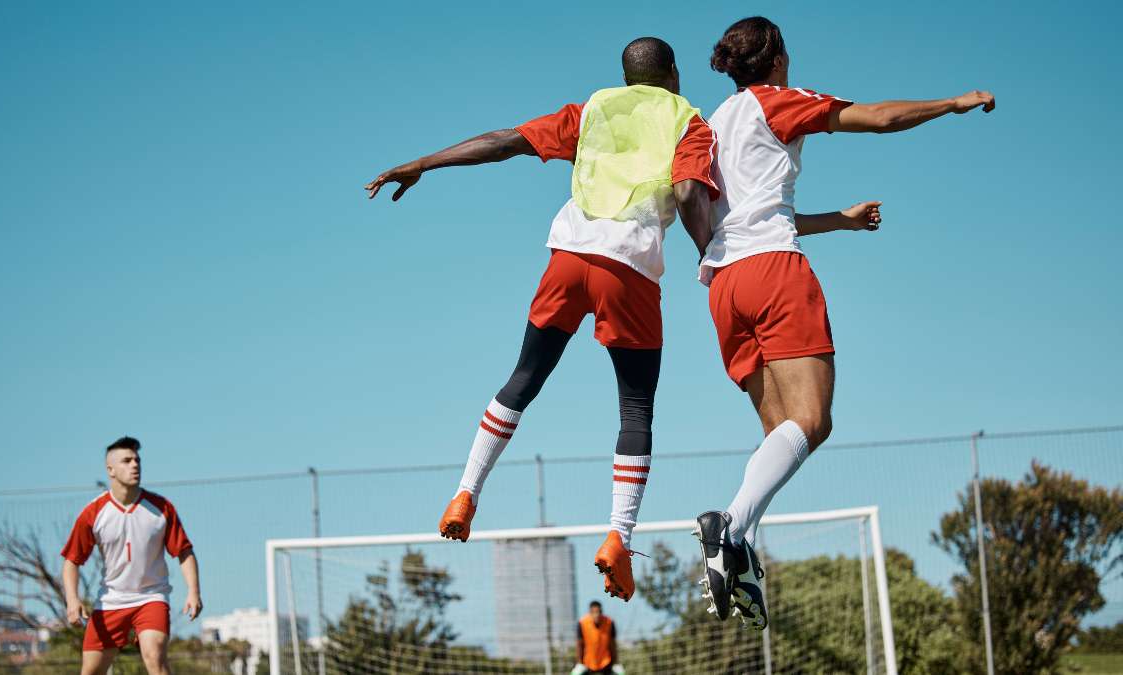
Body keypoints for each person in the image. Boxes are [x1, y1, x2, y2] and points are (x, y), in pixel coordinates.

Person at [365, 37, 717, 602]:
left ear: (626, 77)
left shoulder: (592, 110)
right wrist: (710, 254)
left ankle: (465, 493)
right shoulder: (690, 122)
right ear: (673, 74)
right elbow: (687, 191)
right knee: (635, 406)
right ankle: (618, 538)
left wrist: (424, 163)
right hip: (628, 269)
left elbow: (505, 142)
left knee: (523, 379)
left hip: (568, 257)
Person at [693, 16, 995, 630]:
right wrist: (954, 103)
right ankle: (730, 524)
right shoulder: (780, 101)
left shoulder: (708, 125)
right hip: (774, 274)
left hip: (723, 284)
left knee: (781, 433)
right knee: (812, 421)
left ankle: (738, 545)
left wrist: (843, 221)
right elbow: (880, 117)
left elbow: (754, 213)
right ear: (776, 59)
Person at [60, 436, 203, 674]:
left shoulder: (161, 508)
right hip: (111, 601)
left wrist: (194, 591)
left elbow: (184, 552)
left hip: (151, 597)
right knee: (90, 671)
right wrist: (72, 600)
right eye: (126, 461)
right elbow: (71, 561)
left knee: (154, 655)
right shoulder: (93, 513)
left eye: (137, 460)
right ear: (111, 470)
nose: (134, 465)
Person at [572, 600, 624, 675]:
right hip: (587, 662)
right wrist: (579, 662)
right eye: (593, 612)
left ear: (601, 612)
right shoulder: (582, 623)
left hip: (606, 661)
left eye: (598, 612)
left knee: (621, 673)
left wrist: (615, 662)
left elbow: (612, 644)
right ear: (590, 613)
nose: (596, 615)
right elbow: (579, 644)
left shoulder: (609, 622)